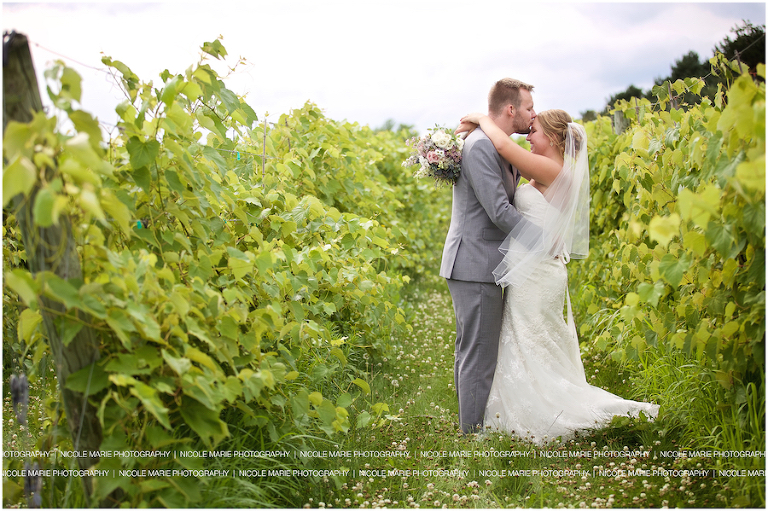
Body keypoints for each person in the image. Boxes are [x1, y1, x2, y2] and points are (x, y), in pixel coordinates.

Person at [456, 109, 660, 445]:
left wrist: (482, 119)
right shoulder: (545, 170)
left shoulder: (552, 169)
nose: (527, 136)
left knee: (534, 340)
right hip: (533, 272)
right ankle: (516, 405)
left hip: (539, 275)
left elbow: (504, 149)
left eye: (533, 131)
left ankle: (546, 410)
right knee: (529, 341)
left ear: (552, 138)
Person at [439, 78, 536, 434]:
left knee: (473, 349)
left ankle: (470, 426)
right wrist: (544, 242)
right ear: (511, 109)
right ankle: (471, 435)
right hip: (475, 263)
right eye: (528, 108)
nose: (533, 114)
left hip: (483, 263)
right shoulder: (481, 147)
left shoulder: (496, 144)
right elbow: (498, 210)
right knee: (478, 353)